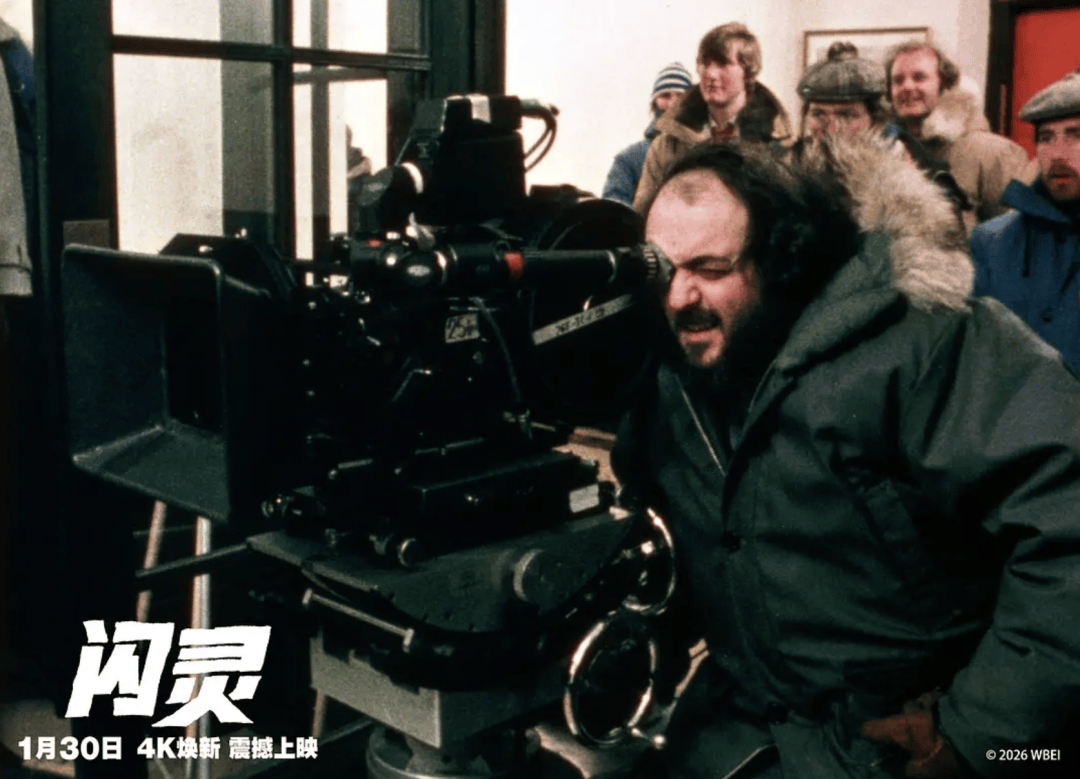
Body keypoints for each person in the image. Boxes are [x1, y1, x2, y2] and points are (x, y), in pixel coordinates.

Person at [615, 139, 1080, 778]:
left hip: (914, 742)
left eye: (712, 269)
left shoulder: (922, 343)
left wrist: (979, 738)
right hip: (741, 734)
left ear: (781, 260)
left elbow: (1068, 527)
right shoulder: (672, 379)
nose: (678, 297)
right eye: (662, 271)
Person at [969, 68, 1080, 371]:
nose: (1057, 154)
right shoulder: (992, 242)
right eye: (1046, 138)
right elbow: (975, 356)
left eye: (1075, 135)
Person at [631, 22, 791, 213]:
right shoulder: (667, 145)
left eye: (723, 63)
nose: (711, 74)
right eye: (705, 64)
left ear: (748, 72)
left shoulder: (779, 146)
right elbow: (643, 215)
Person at [886, 40, 1028, 229]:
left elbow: (1013, 234)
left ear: (944, 84)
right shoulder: (884, 150)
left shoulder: (992, 153)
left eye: (919, 77)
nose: (907, 86)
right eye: (898, 80)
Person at [602, 62, 693, 205]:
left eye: (680, 96)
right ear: (654, 102)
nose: (672, 104)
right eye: (665, 96)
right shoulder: (628, 160)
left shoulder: (708, 152)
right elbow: (613, 213)